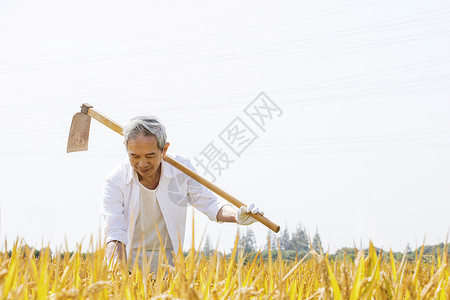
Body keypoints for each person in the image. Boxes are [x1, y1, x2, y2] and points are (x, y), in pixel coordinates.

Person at [101, 115, 262, 271]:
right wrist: (118, 275)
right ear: (126, 148)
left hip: (170, 270)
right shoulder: (115, 180)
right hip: (129, 267)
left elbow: (211, 204)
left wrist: (237, 215)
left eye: (150, 156)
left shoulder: (180, 170)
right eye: (134, 156)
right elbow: (115, 233)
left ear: (164, 149)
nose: (142, 163)